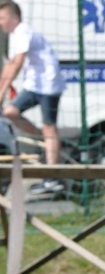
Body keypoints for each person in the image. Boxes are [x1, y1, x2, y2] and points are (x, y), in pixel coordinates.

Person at [0, 0, 66, 198]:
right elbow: (9, 65)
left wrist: (2, 92)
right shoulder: (13, 37)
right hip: (34, 85)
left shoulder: (23, 31)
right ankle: (44, 138)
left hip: (48, 84)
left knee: (49, 125)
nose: (0, 23)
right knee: (10, 113)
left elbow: (17, 63)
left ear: (15, 18)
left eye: (2, 18)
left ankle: (52, 177)